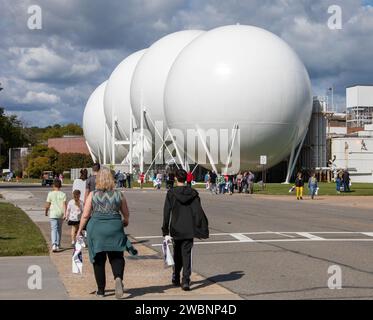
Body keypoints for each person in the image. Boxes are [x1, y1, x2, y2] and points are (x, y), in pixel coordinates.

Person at [77, 168, 131, 298]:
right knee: (117, 256)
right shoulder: (119, 194)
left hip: (97, 229)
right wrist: (125, 222)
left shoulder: (93, 195)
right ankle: (118, 278)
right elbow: (126, 213)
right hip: (115, 227)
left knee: (99, 259)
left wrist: (79, 230)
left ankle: (101, 290)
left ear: (98, 180)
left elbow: (85, 215)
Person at [162, 169, 209, 291]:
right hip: (189, 227)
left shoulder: (171, 193)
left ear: (176, 178)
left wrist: (165, 230)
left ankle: (176, 277)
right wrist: (199, 226)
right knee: (187, 255)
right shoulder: (193, 193)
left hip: (176, 227)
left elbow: (166, 212)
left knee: (177, 254)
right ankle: (186, 280)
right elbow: (198, 211)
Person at [45, 179, 67, 252]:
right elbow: (64, 205)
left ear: (53, 185)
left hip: (53, 214)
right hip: (60, 214)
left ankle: (54, 244)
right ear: (60, 186)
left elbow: (48, 204)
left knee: (54, 229)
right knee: (59, 229)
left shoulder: (50, 194)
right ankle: (58, 244)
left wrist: (46, 211)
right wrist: (65, 214)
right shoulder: (63, 194)